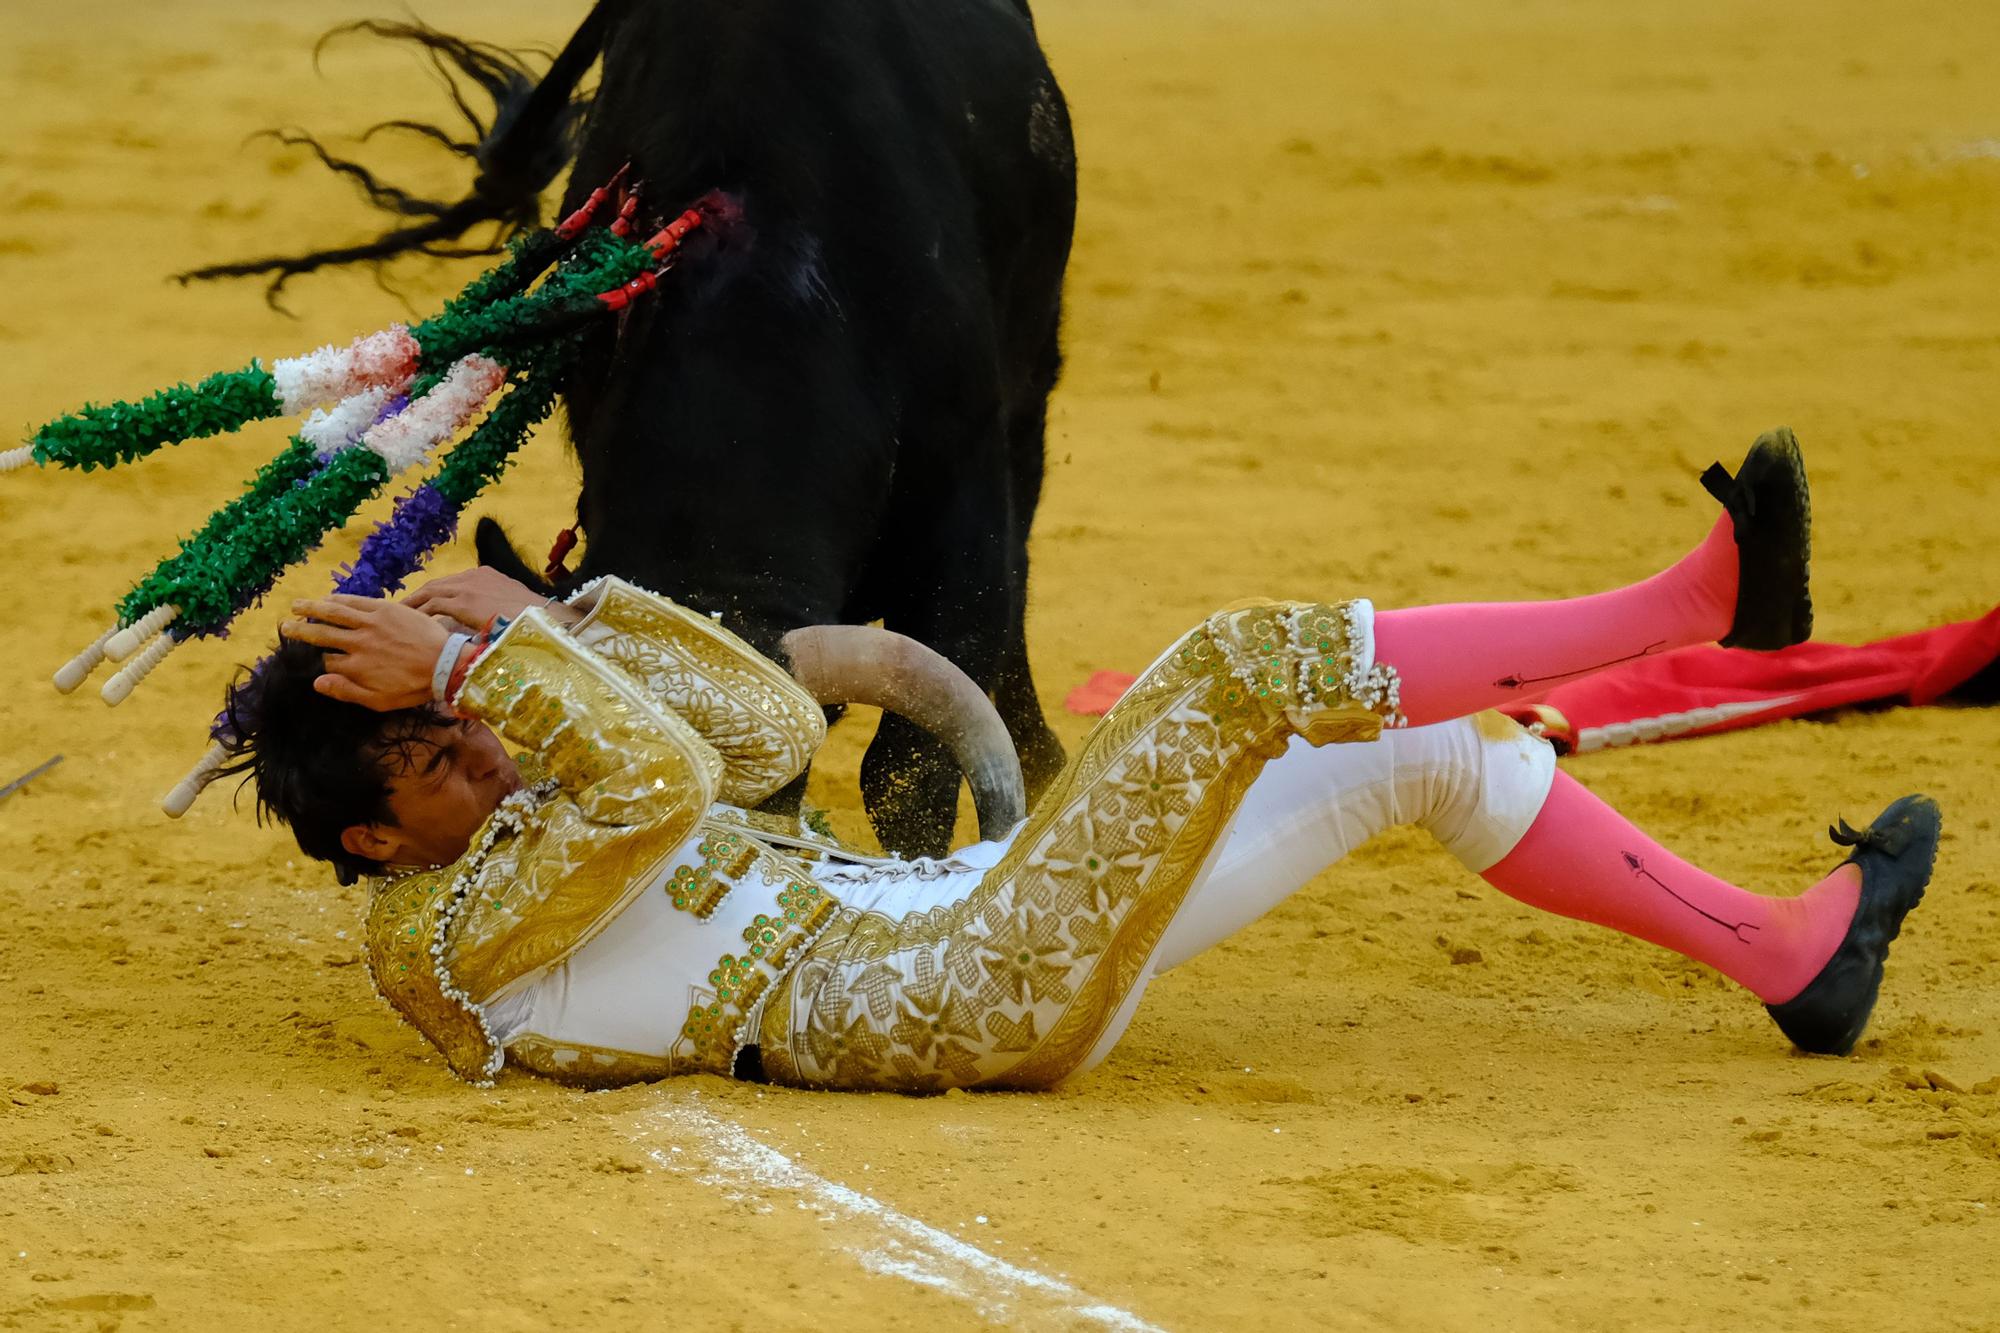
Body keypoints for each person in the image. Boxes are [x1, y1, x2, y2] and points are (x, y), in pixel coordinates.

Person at [229, 430, 1940, 1090]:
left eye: (468, 730)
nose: (492, 756)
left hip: (965, 910)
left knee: (1428, 743)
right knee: (1227, 668)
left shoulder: (528, 779)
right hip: (957, 986)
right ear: (378, 842)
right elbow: (663, 791)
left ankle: (1789, 956)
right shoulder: (434, 944)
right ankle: (1694, 608)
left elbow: (747, 732)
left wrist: (567, 617)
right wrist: (481, 659)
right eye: (445, 763)